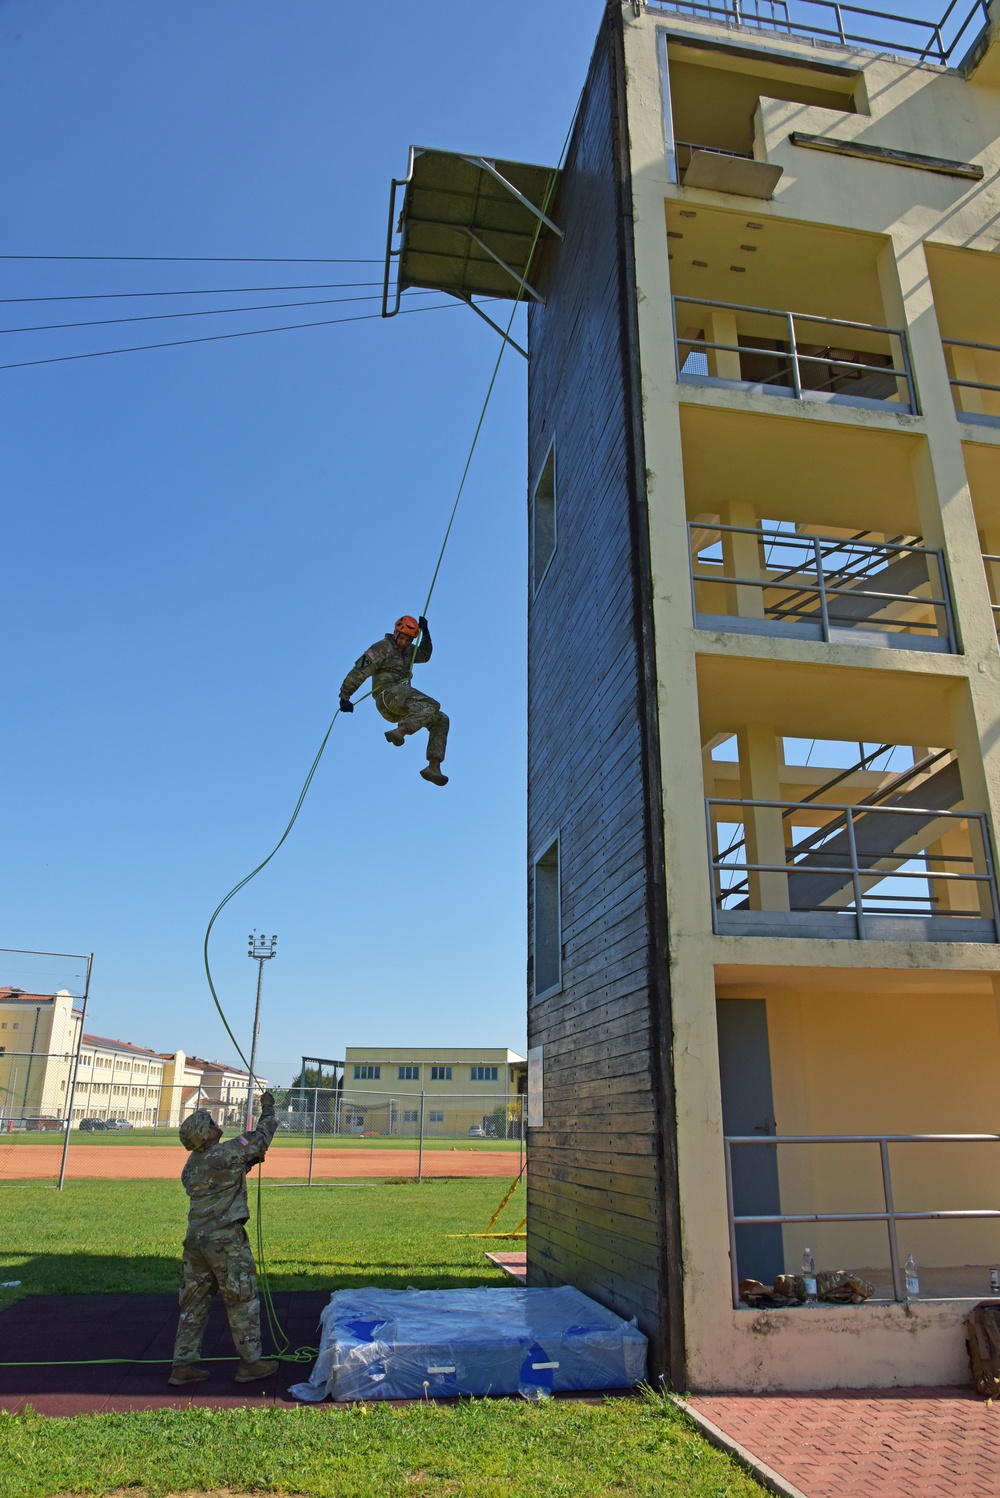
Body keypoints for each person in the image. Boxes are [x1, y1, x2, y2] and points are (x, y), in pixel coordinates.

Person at [168, 1091, 280, 1387]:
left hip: (196, 1242)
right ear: (205, 1135)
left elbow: (229, 1171)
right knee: (241, 1297)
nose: (216, 1124)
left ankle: (184, 1364)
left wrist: (250, 1161)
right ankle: (250, 1363)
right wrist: (267, 1108)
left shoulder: (192, 1166)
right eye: (211, 1123)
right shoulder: (226, 1152)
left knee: (193, 1302)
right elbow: (261, 1137)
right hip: (225, 1241)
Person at [339, 614, 450, 786]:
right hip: (387, 695)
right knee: (432, 704)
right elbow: (361, 670)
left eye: (408, 640)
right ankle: (401, 731)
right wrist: (345, 696)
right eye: (402, 638)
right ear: (396, 632)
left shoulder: (410, 652)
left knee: (441, 719)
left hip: (402, 706)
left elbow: (425, 655)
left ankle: (433, 767)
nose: (404, 643)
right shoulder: (382, 648)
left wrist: (426, 632)